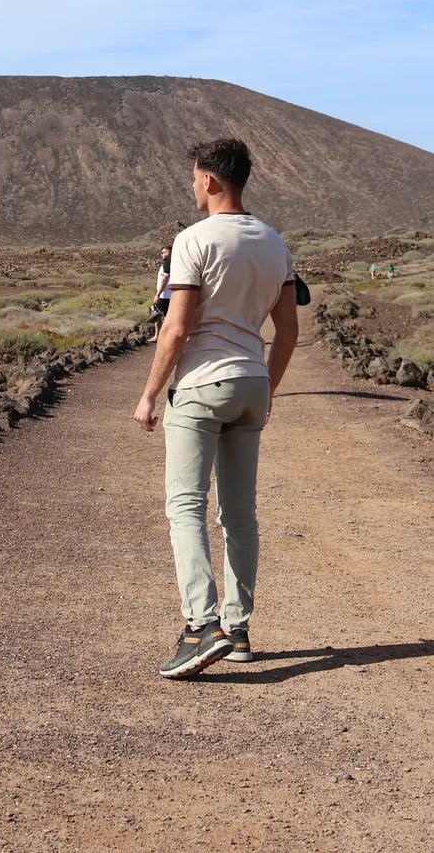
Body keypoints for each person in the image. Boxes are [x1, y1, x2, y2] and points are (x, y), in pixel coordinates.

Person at [134, 138, 299, 680]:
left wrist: (150, 393)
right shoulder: (275, 243)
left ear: (208, 180)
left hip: (202, 385)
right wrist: (268, 389)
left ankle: (199, 626)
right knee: (239, 512)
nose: (192, 186)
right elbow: (288, 330)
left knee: (185, 505)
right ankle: (240, 628)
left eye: (194, 177)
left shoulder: (193, 241)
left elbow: (176, 328)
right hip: (252, 384)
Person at [148, 246, 172, 342]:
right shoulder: (176, 263)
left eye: (164, 252)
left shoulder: (166, 264)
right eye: (162, 253)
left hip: (164, 295)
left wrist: (157, 294)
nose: (162, 254)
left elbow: (164, 280)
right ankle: (167, 336)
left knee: (155, 313)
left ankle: (158, 336)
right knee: (168, 315)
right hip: (172, 294)